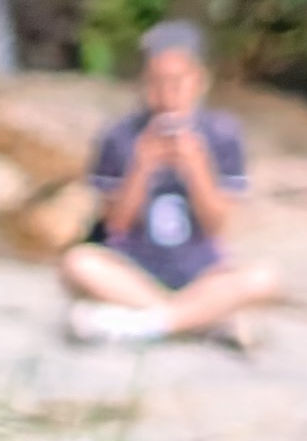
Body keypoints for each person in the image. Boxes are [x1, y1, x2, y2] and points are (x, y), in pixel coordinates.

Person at [61, 18, 284, 347]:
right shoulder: (119, 135)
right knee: (78, 263)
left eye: (177, 82)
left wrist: (197, 167)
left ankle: (144, 324)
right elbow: (115, 224)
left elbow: (217, 225)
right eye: (156, 82)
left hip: (200, 271)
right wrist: (141, 168)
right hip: (134, 268)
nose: (167, 95)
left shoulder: (222, 134)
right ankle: (201, 320)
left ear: (199, 80)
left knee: (264, 278)